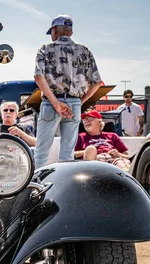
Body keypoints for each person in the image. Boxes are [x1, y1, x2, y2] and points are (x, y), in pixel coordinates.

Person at [33, 14, 103, 168]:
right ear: (70, 32)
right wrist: (80, 102)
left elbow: (39, 77)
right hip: (74, 105)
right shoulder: (85, 51)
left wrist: (55, 103)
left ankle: (36, 188)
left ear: (55, 30)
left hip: (51, 104)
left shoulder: (46, 49)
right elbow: (97, 82)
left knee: (41, 153)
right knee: (67, 155)